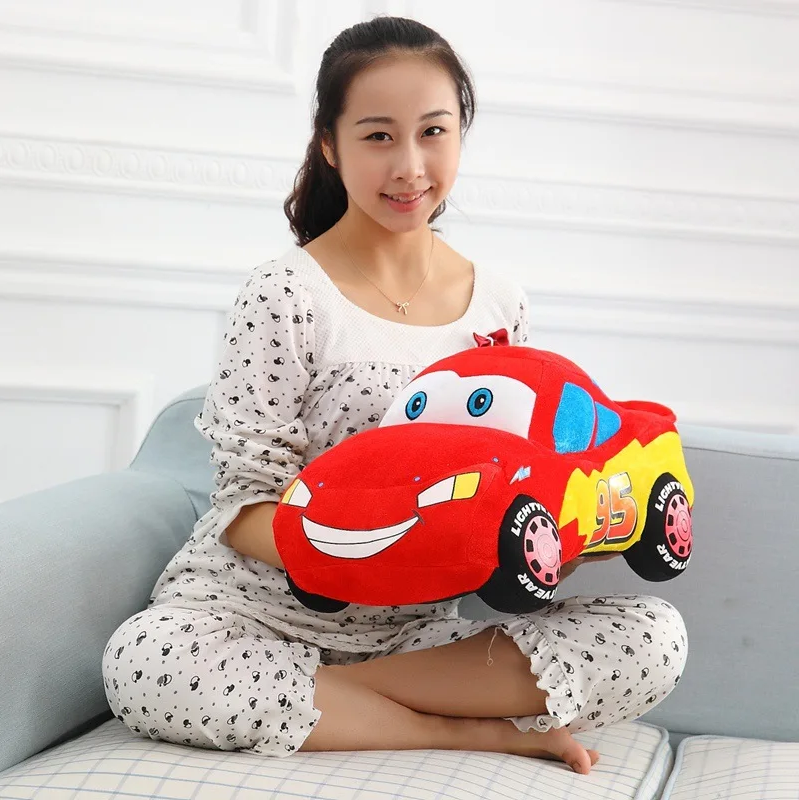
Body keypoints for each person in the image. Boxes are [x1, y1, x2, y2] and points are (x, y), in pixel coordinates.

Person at [102, 16, 687, 776]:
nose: (410, 167)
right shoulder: (285, 294)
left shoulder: (499, 304)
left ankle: (344, 702)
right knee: (144, 662)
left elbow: (521, 484)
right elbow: (244, 509)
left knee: (654, 639)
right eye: (378, 136)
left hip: (417, 634)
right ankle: (465, 729)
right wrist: (377, 547)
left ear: (459, 136)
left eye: (433, 132)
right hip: (254, 618)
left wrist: (554, 546)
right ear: (329, 143)